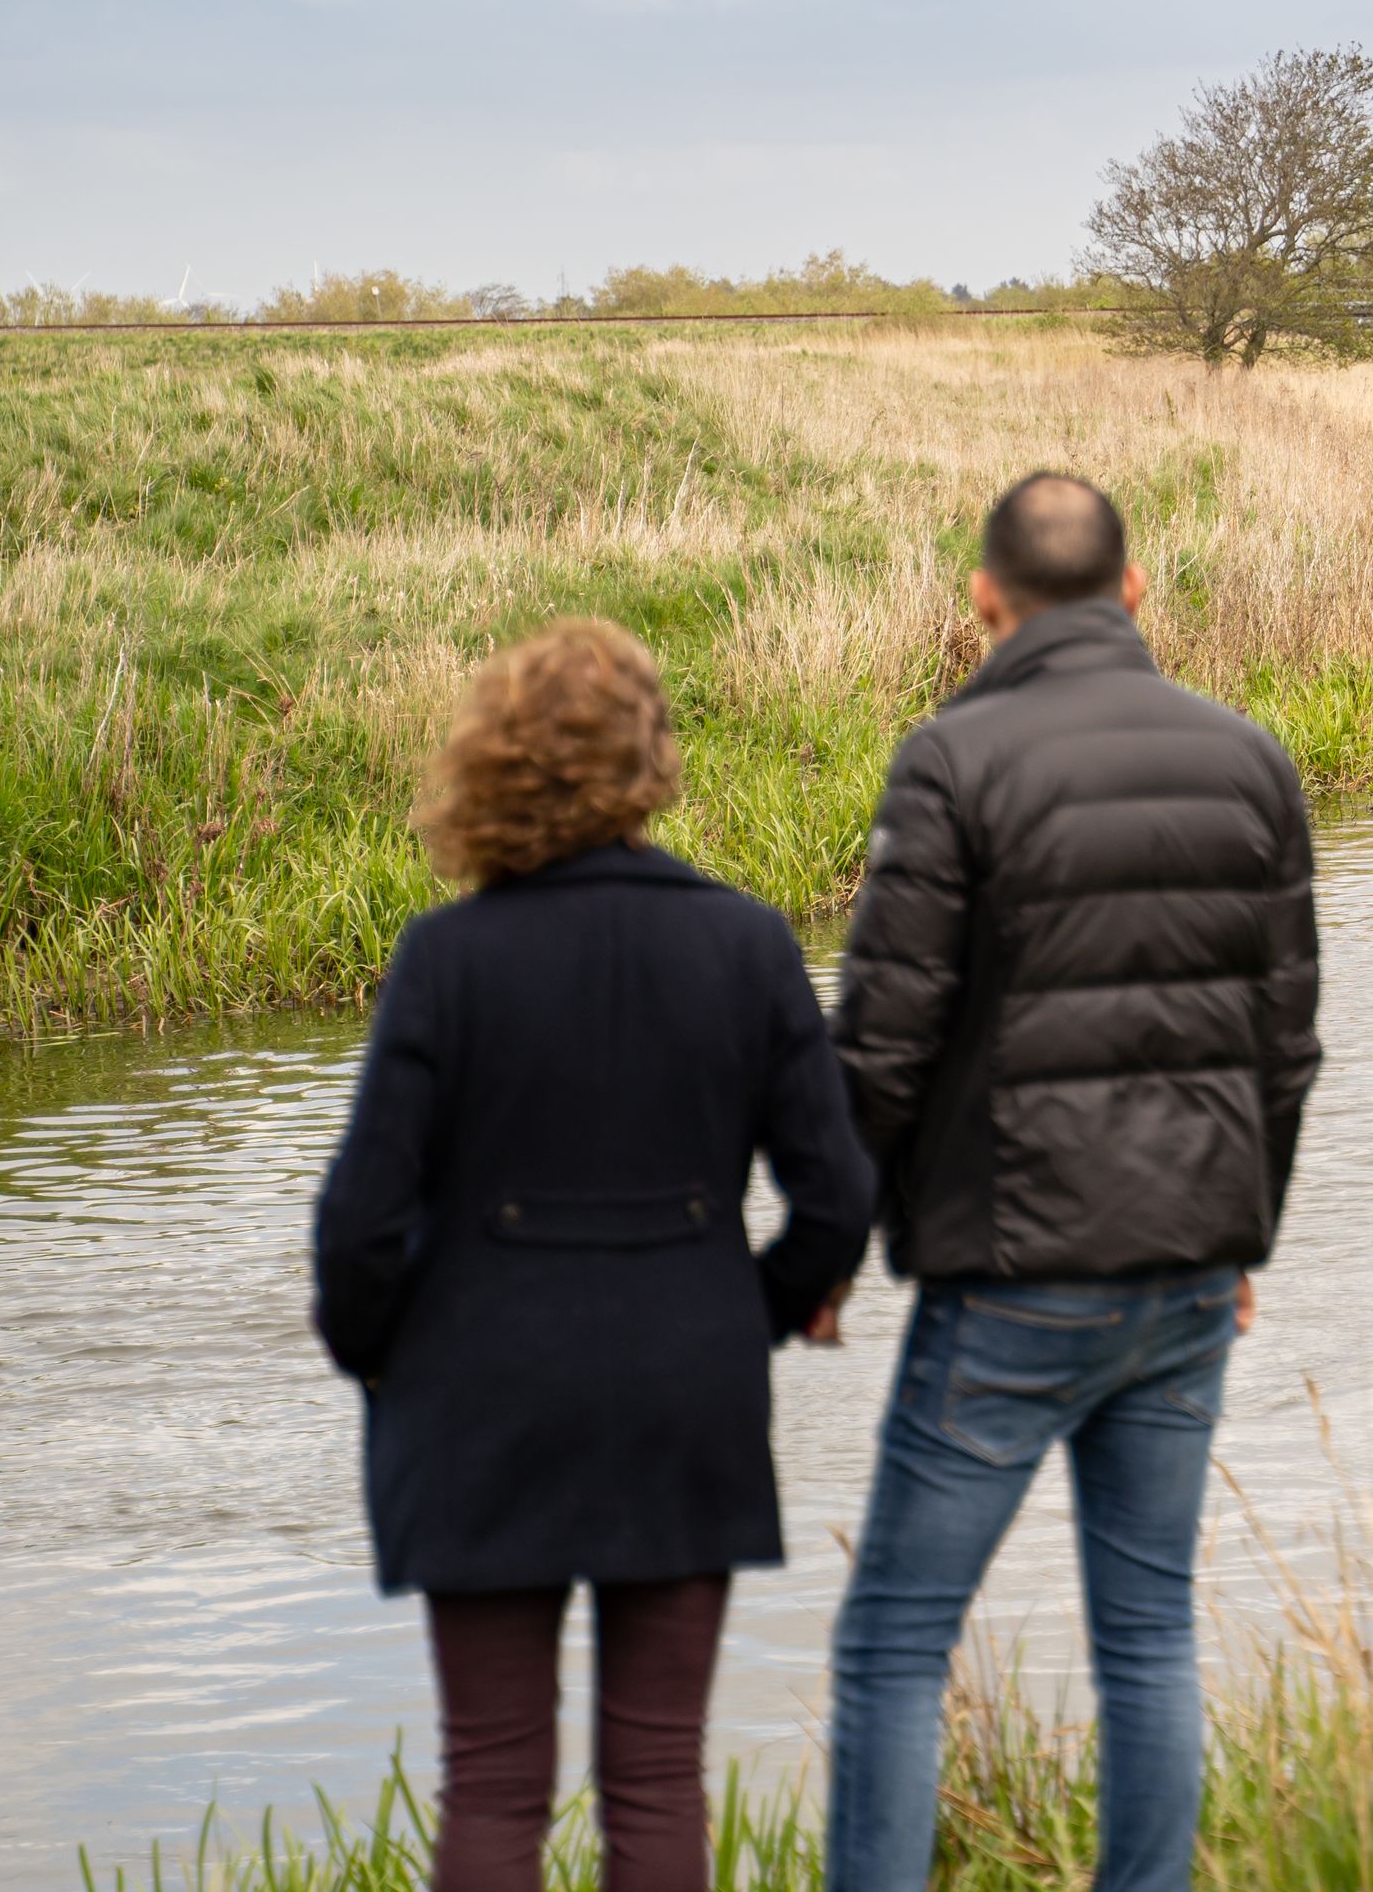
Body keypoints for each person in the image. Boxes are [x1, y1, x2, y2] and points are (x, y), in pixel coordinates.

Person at [310, 617, 873, 1892]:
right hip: (684, 1391)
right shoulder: (749, 943)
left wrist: (380, 1354)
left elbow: (357, 1226)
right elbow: (840, 1199)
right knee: (659, 1773)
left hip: (476, 1397)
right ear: (652, 759)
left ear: (491, 761)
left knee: (494, 1780)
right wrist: (743, 1311)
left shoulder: (444, 958)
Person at [822, 471, 1323, 1892]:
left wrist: (829, 1246)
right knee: (1150, 1636)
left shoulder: (951, 759)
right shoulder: (1251, 759)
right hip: (1189, 1268)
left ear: (985, 598)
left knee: (893, 1644)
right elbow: (1285, 1042)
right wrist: (1243, 1240)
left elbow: (884, 1042)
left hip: (1013, 1273)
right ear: (1135, 589)